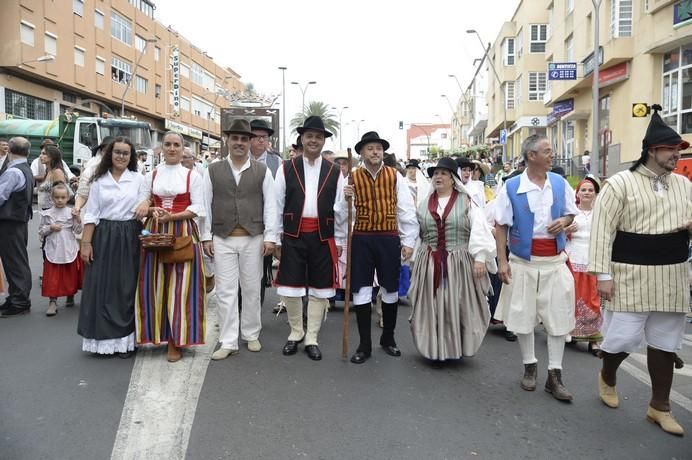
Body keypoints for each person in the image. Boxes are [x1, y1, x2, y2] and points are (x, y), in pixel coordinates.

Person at [589, 105, 691, 436]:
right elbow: (602, 229)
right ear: (652, 150)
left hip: (672, 274)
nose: (677, 154)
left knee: (665, 342)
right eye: (671, 149)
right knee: (623, 338)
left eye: (679, 149)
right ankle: (608, 373)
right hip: (630, 272)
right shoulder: (619, 183)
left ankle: (659, 407)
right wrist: (602, 276)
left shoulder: (685, 186)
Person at [494, 133, 578, 402]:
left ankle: (555, 375)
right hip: (523, 262)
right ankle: (530, 365)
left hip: (555, 262)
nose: (552, 155)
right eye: (547, 151)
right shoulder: (510, 186)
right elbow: (501, 225)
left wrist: (564, 221)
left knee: (558, 318)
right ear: (531, 156)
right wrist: (502, 261)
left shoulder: (559, 182)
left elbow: (571, 212)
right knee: (522, 316)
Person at [201, 120, 278, 360]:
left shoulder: (262, 171)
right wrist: (206, 236)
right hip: (222, 237)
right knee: (225, 291)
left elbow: (271, 206)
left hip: (252, 238)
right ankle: (228, 340)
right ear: (227, 140)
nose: (239, 143)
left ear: (249, 142)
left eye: (244, 139)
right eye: (235, 138)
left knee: (252, 288)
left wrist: (271, 237)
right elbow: (205, 204)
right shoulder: (212, 170)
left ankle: (251, 333)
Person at [408, 157, 496, 361]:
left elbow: (479, 229)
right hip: (429, 261)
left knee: (456, 303)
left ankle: (455, 347)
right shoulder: (423, 205)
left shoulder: (466, 202)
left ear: (452, 178)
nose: (438, 177)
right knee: (433, 305)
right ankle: (435, 348)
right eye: (435, 174)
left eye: (443, 173)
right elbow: (416, 232)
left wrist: (480, 258)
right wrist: (410, 253)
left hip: (458, 262)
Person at [341, 132, 418, 364]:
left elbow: (405, 210)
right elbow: (341, 214)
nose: (375, 152)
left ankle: (388, 338)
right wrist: (345, 199)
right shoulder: (351, 178)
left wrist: (408, 242)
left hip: (388, 236)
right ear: (361, 153)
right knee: (361, 290)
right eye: (370, 148)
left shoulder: (395, 176)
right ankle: (364, 345)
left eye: (378, 148)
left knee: (390, 288)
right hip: (362, 238)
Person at [274, 116, 345, 361]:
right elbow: (276, 204)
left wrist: (341, 238)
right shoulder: (286, 168)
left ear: (324, 141)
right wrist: (275, 238)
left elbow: (341, 210)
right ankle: (296, 332)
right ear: (302, 139)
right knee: (291, 286)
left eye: (318, 137)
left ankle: (311, 336)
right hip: (293, 234)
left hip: (323, 236)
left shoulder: (335, 171)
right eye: (309, 136)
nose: (314, 140)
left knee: (319, 287)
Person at [135, 131, 207, 363]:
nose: (172, 149)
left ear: (183, 149)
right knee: (154, 284)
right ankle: (157, 334)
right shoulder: (152, 174)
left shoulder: (192, 176)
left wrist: (173, 216)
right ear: (162, 148)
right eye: (168, 144)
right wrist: (150, 207)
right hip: (155, 231)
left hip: (181, 231)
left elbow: (198, 207)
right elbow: (144, 199)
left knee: (181, 287)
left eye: (176, 145)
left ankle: (177, 340)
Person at [78, 137, 147, 356]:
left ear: (131, 156)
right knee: (102, 286)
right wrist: (86, 243)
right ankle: (103, 340)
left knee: (126, 287)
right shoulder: (99, 181)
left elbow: (146, 205)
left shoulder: (138, 180)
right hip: (104, 236)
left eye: (126, 153)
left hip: (129, 235)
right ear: (110, 154)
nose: (121, 156)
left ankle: (126, 341)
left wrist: (147, 204)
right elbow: (92, 214)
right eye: (117, 152)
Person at [564, 176, 602, 353]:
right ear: (577, 193)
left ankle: (594, 339)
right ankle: (570, 332)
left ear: (595, 193)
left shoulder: (601, 214)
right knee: (572, 298)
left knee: (593, 300)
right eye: (583, 190)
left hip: (593, 261)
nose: (587, 193)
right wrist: (566, 231)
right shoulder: (571, 213)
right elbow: (558, 235)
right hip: (572, 260)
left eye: (590, 190)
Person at [0, 137, 34, 317]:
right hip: (18, 221)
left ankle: (20, 301)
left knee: (14, 262)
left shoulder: (13, 172)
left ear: (10, 150)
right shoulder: (25, 169)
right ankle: (16, 298)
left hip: (10, 222)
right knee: (15, 260)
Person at [249, 119, 281, 304]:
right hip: (241, 224)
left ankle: (256, 311)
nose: (261, 141)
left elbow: (279, 198)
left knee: (260, 270)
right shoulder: (239, 159)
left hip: (265, 224)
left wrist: (276, 233)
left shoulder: (276, 162)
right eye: (257, 137)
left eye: (265, 137)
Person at [39, 183, 83, 316]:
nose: (59, 200)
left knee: (70, 273)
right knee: (52, 276)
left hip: (68, 246)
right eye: (57, 197)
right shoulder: (47, 214)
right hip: (53, 247)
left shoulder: (71, 212)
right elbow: (41, 230)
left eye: (63, 197)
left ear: (67, 198)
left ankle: (70, 294)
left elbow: (78, 230)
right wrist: (50, 228)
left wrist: (77, 219)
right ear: (52, 198)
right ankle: (53, 301)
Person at [72, 137, 115, 217]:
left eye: (113, 151)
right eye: (107, 150)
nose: (109, 154)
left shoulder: (127, 172)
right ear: (101, 151)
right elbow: (82, 194)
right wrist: (77, 208)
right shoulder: (91, 169)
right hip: (94, 216)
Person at [36, 145, 69, 211]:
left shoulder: (57, 172)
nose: (40, 156)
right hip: (45, 210)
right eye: (41, 153)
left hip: (53, 212)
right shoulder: (48, 170)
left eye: (44, 154)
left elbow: (62, 193)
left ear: (52, 156)